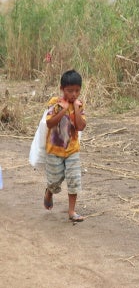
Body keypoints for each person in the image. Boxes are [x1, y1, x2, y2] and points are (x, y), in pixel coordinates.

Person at [43, 69, 87, 222]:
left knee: (74, 178)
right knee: (55, 180)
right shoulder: (55, 103)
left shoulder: (79, 106)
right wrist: (63, 110)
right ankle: (49, 191)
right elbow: (49, 123)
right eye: (69, 91)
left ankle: (71, 211)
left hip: (72, 149)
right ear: (62, 89)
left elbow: (81, 127)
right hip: (54, 149)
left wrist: (74, 108)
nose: (73, 94)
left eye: (76, 91)